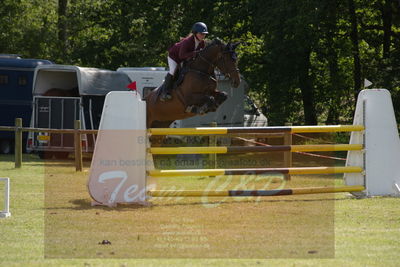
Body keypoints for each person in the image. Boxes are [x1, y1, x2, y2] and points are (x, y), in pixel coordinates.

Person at [159, 22, 208, 101]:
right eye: (201, 34)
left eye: (204, 34)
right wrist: (194, 53)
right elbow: (181, 55)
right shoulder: (187, 41)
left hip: (185, 58)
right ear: (195, 33)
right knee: (173, 71)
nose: (203, 36)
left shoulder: (202, 43)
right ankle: (165, 92)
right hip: (174, 57)